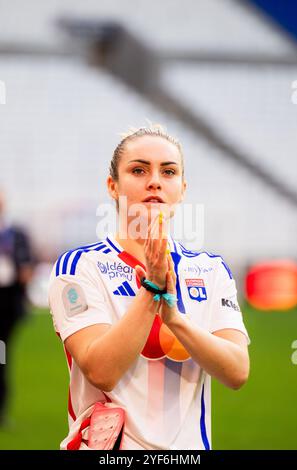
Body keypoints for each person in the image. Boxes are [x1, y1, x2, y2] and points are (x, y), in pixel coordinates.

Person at [48, 124, 250, 450]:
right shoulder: (80, 266)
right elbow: (102, 371)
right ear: (113, 186)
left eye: (168, 172)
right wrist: (152, 288)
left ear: (182, 188)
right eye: (139, 170)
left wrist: (175, 319)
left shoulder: (211, 270)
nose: (154, 180)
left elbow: (237, 372)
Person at [0, 190, 33, 424]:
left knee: (1, 356)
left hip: (6, 306)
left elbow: (26, 264)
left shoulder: (16, 234)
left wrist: (25, 271)